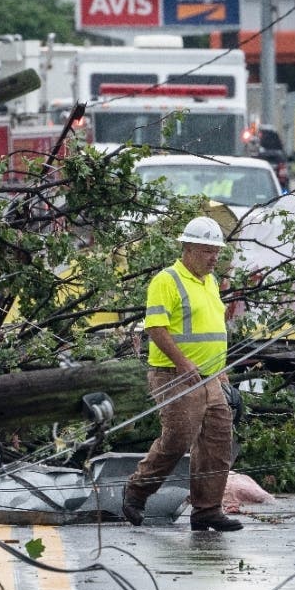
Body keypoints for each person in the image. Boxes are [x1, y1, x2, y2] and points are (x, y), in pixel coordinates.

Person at [123, 216, 242, 532]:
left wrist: (222, 374)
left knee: (218, 443)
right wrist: (182, 362)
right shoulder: (167, 280)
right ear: (188, 249)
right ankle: (136, 491)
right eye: (207, 251)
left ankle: (207, 510)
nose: (214, 258)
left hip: (211, 376)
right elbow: (155, 327)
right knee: (177, 439)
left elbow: (212, 330)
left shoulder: (210, 282)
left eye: (216, 251)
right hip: (174, 375)